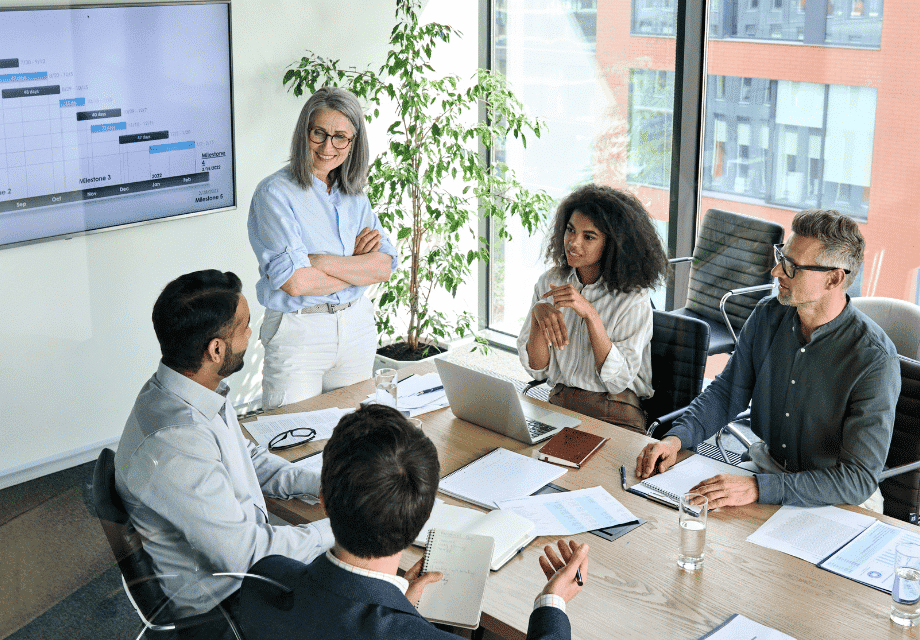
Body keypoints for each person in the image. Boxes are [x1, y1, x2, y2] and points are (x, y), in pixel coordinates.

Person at [238, 404, 589, 640]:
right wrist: (553, 601)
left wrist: (403, 600)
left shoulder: (264, 581)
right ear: (423, 516)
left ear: (324, 500)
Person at [635, 209, 900, 511]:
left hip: (836, 495)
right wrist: (676, 439)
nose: (776, 272)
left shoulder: (874, 359)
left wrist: (758, 488)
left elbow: (856, 479)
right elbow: (726, 393)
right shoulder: (767, 315)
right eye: (780, 256)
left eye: (792, 266)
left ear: (834, 279)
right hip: (766, 469)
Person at [115, 270, 334, 632]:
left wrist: (325, 483)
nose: (253, 335)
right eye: (245, 327)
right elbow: (247, 555)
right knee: (365, 598)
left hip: (236, 562)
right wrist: (344, 527)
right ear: (216, 350)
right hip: (224, 605)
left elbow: (250, 459)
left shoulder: (187, 388)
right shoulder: (177, 442)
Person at [248, 86, 397, 410]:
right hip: (299, 330)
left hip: (356, 327)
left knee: (355, 441)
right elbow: (296, 282)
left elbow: (383, 267)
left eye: (340, 136)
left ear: (353, 142)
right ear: (305, 133)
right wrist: (357, 267)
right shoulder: (274, 193)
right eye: (320, 133)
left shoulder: (355, 194)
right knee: (292, 441)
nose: (329, 146)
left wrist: (320, 261)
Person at [517, 184, 669, 432]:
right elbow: (537, 369)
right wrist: (537, 317)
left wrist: (590, 314)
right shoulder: (549, 282)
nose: (573, 243)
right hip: (560, 403)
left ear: (613, 244)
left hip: (615, 411)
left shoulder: (633, 298)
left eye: (589, 236)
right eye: (570, 230)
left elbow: (618, 381)